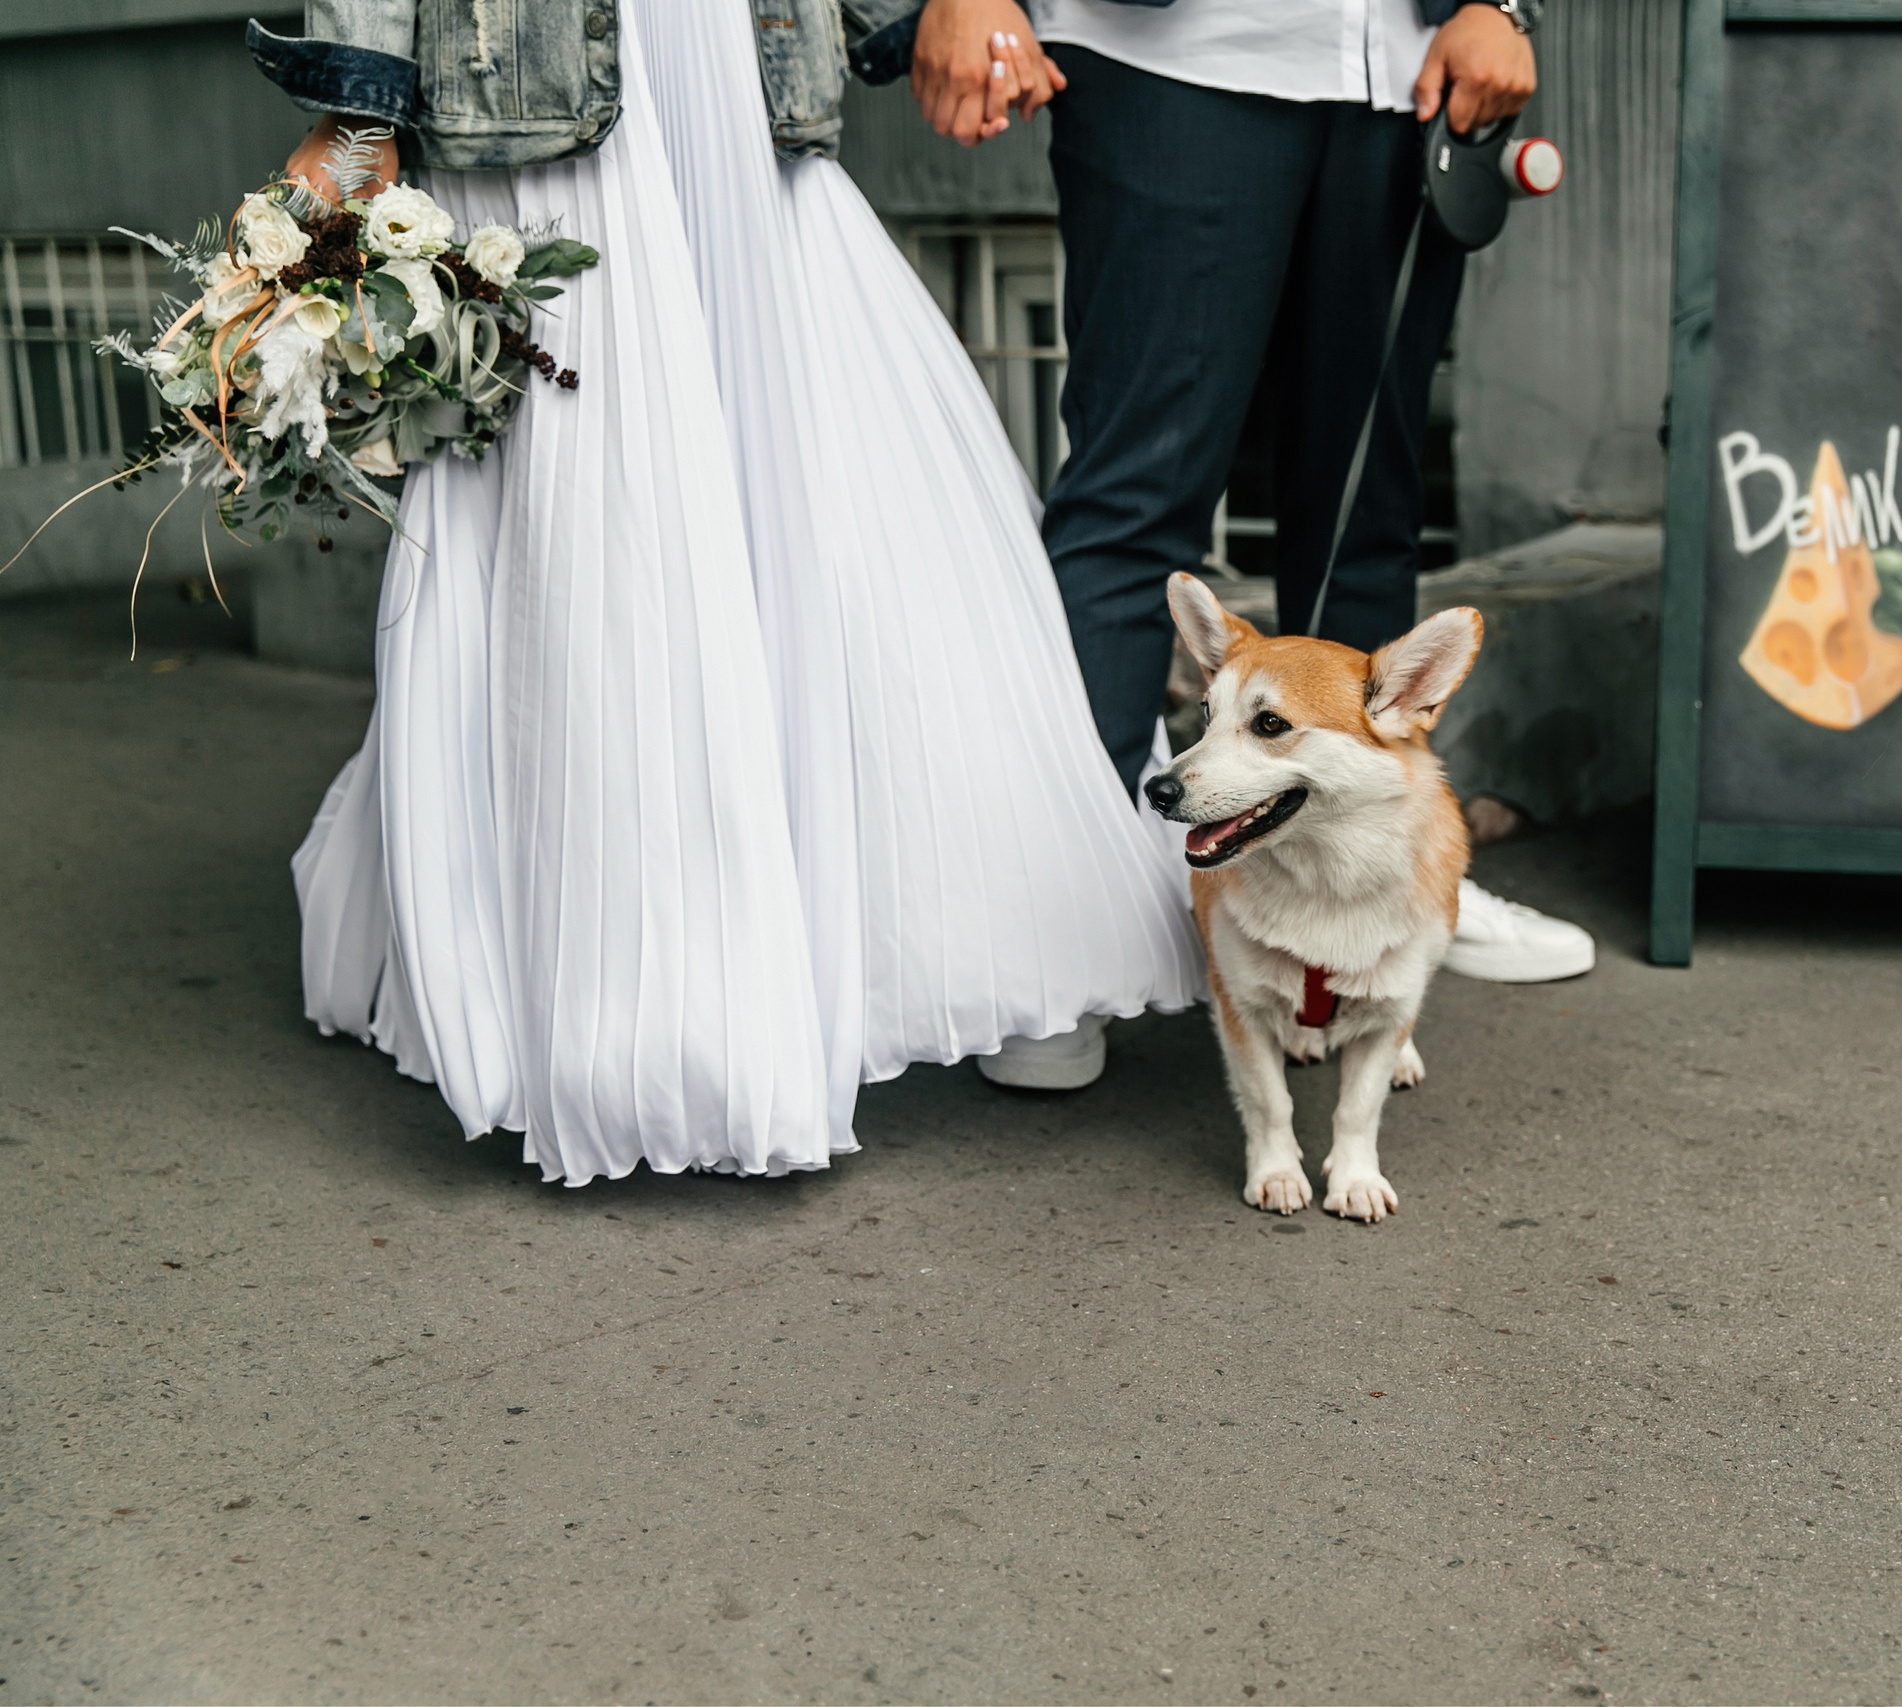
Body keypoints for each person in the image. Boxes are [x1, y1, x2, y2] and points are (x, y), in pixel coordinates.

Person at [256, 0, 1201, 1184]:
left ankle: (928, 948)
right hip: (536, 74)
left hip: (741, 66)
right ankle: (658, 1019)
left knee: (832, 483)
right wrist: (359, 107)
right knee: (604, 496)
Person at [906, 0, 1598, 983]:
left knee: (1369, 505)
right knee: (1136, 500)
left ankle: (1385, 899)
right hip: (1170, 58)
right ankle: (1058, 947)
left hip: (1401, 72)